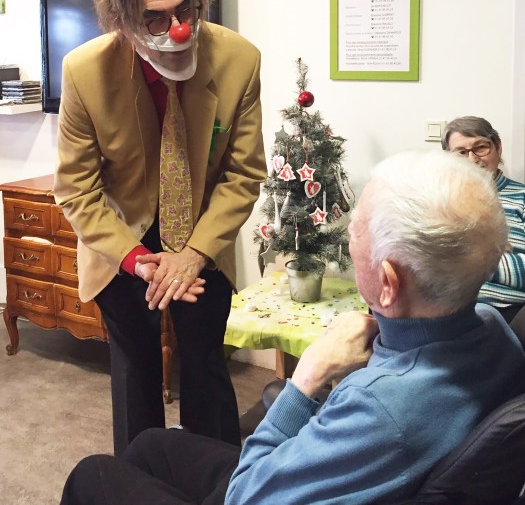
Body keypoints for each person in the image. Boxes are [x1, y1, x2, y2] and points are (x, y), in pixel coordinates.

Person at [60, 150, 525, 505]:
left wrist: (306, 378)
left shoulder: (379, 407)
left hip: (260, 489)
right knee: (151, 446)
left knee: (94, 474)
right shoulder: (493, 328)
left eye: (356, 231)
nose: (349, 237)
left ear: (388, 283)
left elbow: (245, 495)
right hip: (339, 470)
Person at [54, 0, 266, 455]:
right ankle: (140, 477)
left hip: (203, 232)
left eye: (185, 10)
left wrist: (194, 255)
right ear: (121, 18)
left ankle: (217, 478)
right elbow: (77, 187)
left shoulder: (238, 59)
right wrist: (133, 258)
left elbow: (242, 174)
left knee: (206, 364)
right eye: (154, 18)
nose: (178, 30)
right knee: (135, 372)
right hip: (121, 236)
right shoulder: (85, 70)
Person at [442, 115, 525, 322]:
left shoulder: (522, 197)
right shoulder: (440, 200)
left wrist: (465, 258)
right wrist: (490, 252)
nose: (472, 159)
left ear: (498, 146)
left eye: (480, 147)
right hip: (447, 311)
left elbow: (444, 260)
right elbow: (427, 262)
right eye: (461, 153)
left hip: (512, 313)